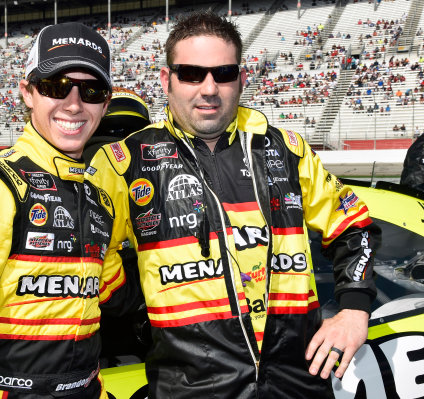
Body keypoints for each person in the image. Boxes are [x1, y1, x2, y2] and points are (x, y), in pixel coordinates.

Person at [86, 11, 380, 398]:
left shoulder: (287, 150)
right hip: (188, 387)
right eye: (191, 73)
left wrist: (355, 310)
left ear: (241, 79)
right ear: (166, 80)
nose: (208, 88)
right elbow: (85, 253)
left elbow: (355, 227)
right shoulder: (123, 163)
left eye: (222, 73)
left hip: (298, 380)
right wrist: (141, 306)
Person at [0, 22, 130, 399]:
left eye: (91, 90)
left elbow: (113, 293)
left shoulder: (99, 195)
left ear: (105, 104)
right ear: (28, 92)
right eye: (55, 87)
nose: (74, 104)